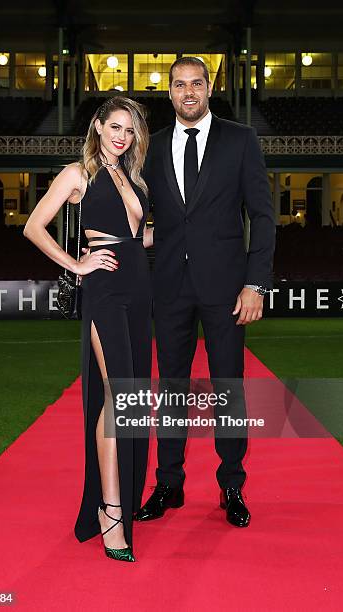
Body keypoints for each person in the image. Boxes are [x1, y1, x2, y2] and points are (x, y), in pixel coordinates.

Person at [135, 57, 275, 528]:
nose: (188, 92)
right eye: (179, 85)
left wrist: (255, 283)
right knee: (171, 390)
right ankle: (168, 484)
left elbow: (262, 216)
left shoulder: (241, 139)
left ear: (209, 87)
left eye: (197, 83)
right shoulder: (150, 148)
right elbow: (141, 217)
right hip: (169, 286)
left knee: (227, 390)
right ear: (169, 92)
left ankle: (231, 485)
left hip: (228, 289)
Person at [24, 96, 154, 562]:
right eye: (115, 126)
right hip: (105, 289)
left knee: (132, 395)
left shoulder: (133, 177)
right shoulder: (78, 174)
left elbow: (140, 234)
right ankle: (109, 511)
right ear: (98, 126)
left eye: (130, 130)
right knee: (118, 395)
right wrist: (76, 265)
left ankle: (120, 498)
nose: (122, 135)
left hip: (140, 289)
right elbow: (34, 227)